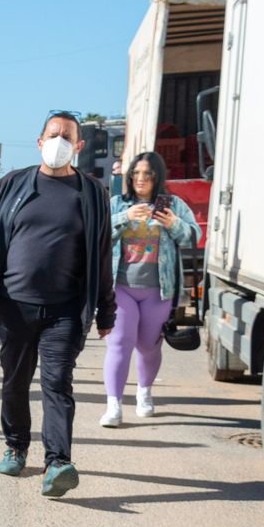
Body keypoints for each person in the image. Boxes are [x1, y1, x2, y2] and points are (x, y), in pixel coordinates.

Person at [0, 111, 115, 497]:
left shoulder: (93, 193)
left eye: (67, 137)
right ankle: (16, 446)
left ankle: (58, 462)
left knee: (57, 383)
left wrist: (106, 309)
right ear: (39, 141)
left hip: (65, 310)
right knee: (15, 382)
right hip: (14, 306)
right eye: (53, 135)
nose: (59, 142)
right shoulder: (14, 184)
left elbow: (101, 254)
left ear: (79, 146)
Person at [101, 151, 199, 426]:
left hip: (159, 289)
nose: (141, 179)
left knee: (147, 346)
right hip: (121, 286)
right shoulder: (118, 204)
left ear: (157, 177)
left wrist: (174, 224)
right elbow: (98, 234)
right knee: (119, 343)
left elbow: (195, 235)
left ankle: (144, 392)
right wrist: (125, 217)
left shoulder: (173, 205)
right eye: (136, 173)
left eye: (148, 174)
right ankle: (113, 405)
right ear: (129, 176)